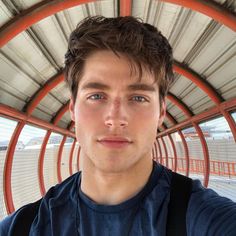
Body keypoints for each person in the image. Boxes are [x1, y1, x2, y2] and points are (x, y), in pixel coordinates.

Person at [0, 16, 236, 236]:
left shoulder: (208, 219)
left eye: (138, 98)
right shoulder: (21, 227)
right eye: (96, 96)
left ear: (161, 113)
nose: (115, 118)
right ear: (73, 109)